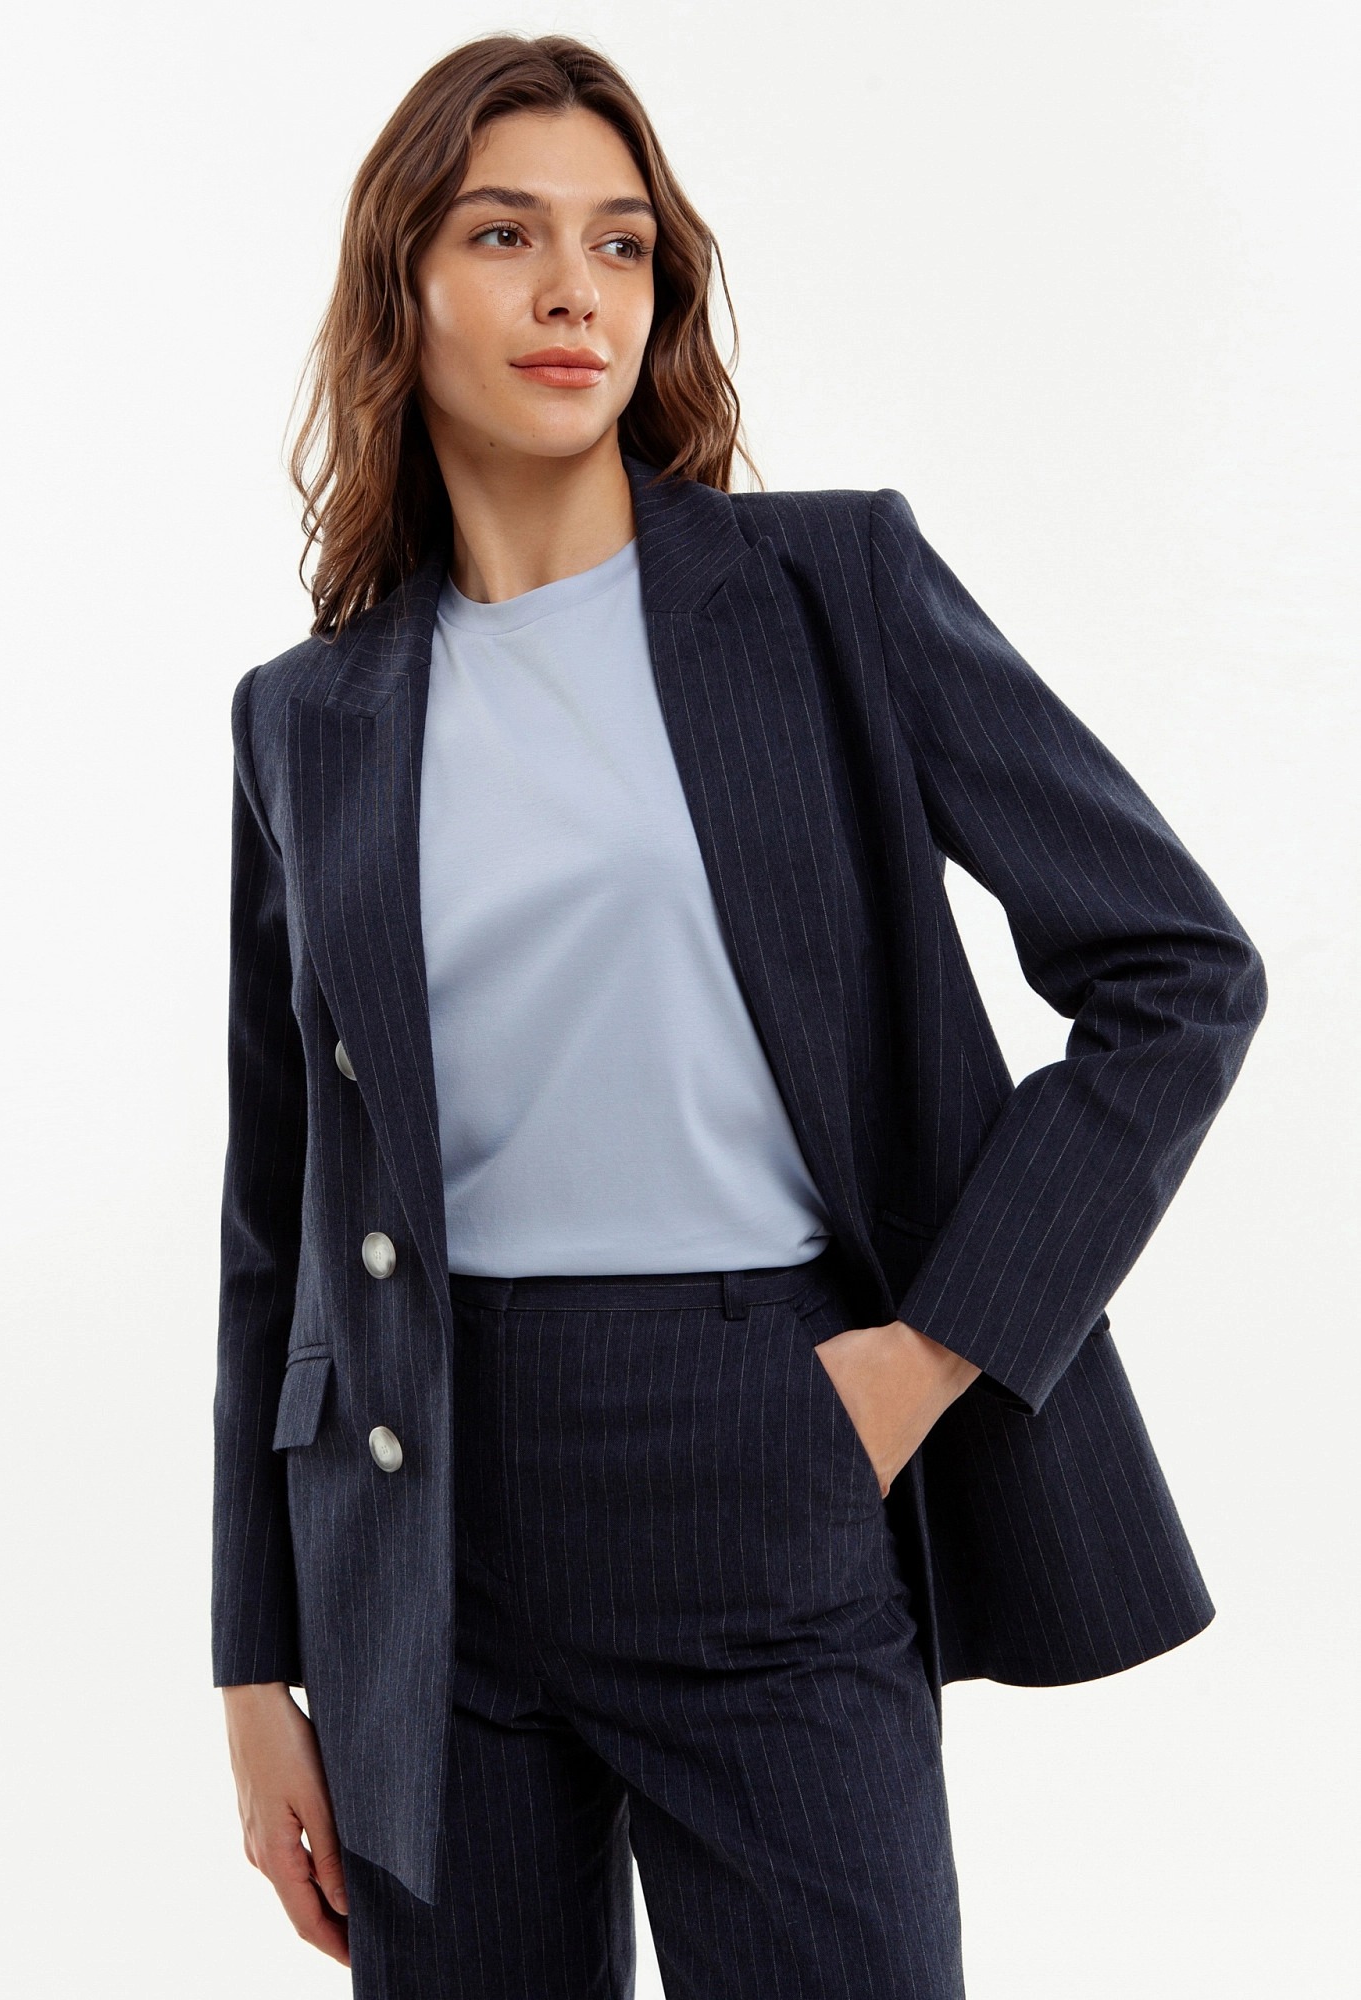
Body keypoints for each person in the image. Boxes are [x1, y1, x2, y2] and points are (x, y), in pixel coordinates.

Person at [213, 33, 1267, 2000]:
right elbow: (278, 1219)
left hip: (764, 1438)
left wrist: (928, 1357)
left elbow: (1180, 971)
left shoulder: (824, 588)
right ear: (398, 290)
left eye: (620, 244)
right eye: (505, 234)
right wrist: (257, 1661)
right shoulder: (309, 717)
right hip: (421, 1519)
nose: (573, 290)